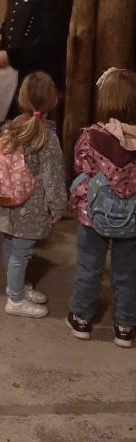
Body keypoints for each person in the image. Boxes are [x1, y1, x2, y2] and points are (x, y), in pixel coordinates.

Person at [67, 68, 136, 348]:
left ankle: (81, 319)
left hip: (93, 217)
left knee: (89, 266)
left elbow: (81, 168)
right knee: (127, 273)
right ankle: (124, 326)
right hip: (132, 221)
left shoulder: (91, 136)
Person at [0, 72, 67, 318]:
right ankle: (15, 299)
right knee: (21, 252)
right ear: (54, 101)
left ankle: (14, 286)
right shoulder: (47, 137)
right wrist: (57, 208)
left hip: (6, 200)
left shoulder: (8, 128)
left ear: (20, 99)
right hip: (31, 208)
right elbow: (54, 179)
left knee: (11, 244)